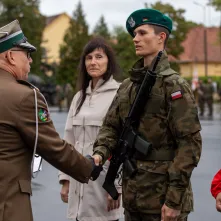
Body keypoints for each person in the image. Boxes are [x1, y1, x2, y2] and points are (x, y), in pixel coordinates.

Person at [92, 8, 202, 221]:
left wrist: (173, 200)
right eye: (134, 34)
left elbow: (190, 145)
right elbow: (111, 128)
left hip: (162, 200)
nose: (135, 39)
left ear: (161, 37)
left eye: (142, 33)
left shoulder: (174, 86)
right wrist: (100, 153)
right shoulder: (127, 86)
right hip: (133, 197)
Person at [0, 20, 97, 221]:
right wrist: (88, 166)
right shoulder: (24, 96)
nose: (31, 61)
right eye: (27, 55)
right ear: (10, 56)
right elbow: (53, 147)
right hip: (7, 203)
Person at [58, 37, 122, 221]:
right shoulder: (78, 97)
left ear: (109, 62)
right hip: (77, 187)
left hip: (104, 186)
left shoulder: (119, 94)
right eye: (89, 57)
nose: (93, 62)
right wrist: (65, 180)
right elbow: (68, 141)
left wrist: (117, 186)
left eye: (99, 57)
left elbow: (124, 144)